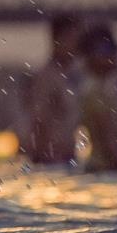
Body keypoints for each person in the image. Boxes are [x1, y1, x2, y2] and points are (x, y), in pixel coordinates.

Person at [22, 13, 83, 166]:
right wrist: (41, 158)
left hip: (66, 159)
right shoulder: (46, 78)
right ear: (57, 40)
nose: (76, 44)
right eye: (71, 38)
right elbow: (38, 121)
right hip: (50, 161)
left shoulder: (73, 76)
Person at [75, 22, 117, 173]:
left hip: (98, 167)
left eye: (114, 48)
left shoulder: (100, 90)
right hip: (103, 169)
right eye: (106, 50)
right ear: (89, 57)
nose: (113, 55)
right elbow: (107, 140)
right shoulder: (95, 94)